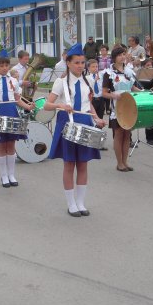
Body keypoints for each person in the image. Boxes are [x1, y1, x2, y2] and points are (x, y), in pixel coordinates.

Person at [43, 43, 106, 216]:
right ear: (68, 63)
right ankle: (71, 203)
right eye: (76, 62)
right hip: (68, 123)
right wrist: (61, 105)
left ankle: (81, 202)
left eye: (82, 62)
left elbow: (89, 105)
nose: (80, 66)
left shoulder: (89, 80)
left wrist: (97, 118)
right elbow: (47, 106)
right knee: (69, 164)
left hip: (85, 122)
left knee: (83, 164)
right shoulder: (60, 82)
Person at [0, 50, 33, 187]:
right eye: (1, 65)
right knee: (1, 145)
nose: (4, 68)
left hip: (11, 111)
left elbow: (17, 99)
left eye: (6, 65)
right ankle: (3, 176)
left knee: (11, 144)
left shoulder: (14, 81)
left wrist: (28, 107)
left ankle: (11, 175)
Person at [102, 45, 141, 171]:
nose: (122, 57)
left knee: (127, 135)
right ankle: (119, 163)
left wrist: (143, 91)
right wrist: (113, 95)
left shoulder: (129, 72)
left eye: (124, 54)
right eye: (119, 55)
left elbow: (132, 87)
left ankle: (125, 162)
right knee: (119, 134)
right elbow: (104, 93)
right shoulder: (109, 73)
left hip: (129, 107)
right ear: (114, 58)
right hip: (117, 108)